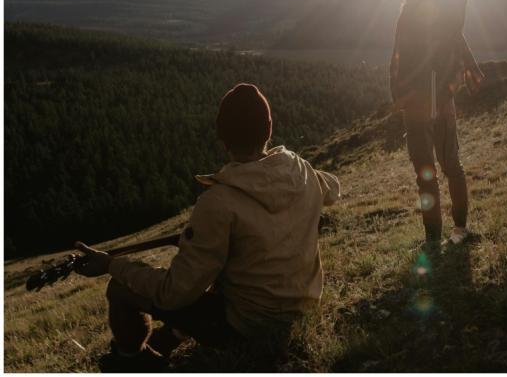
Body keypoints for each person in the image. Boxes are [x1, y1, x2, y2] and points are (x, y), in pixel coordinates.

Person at [74, 83, 340, 370]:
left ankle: (134, 362)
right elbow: (333, 188)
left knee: (119, 288)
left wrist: (112, 264)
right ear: (269, 129)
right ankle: (168, 340)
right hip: (304, 309)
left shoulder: (218, 202)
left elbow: (174, 292)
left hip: (249, 327)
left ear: (222, 139)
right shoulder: (302, 171)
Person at [370, 0, 491, 246]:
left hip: (416, 96)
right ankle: (460, 230)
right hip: (443, 95)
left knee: (426, 173)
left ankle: (433, 239)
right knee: (452, 165)